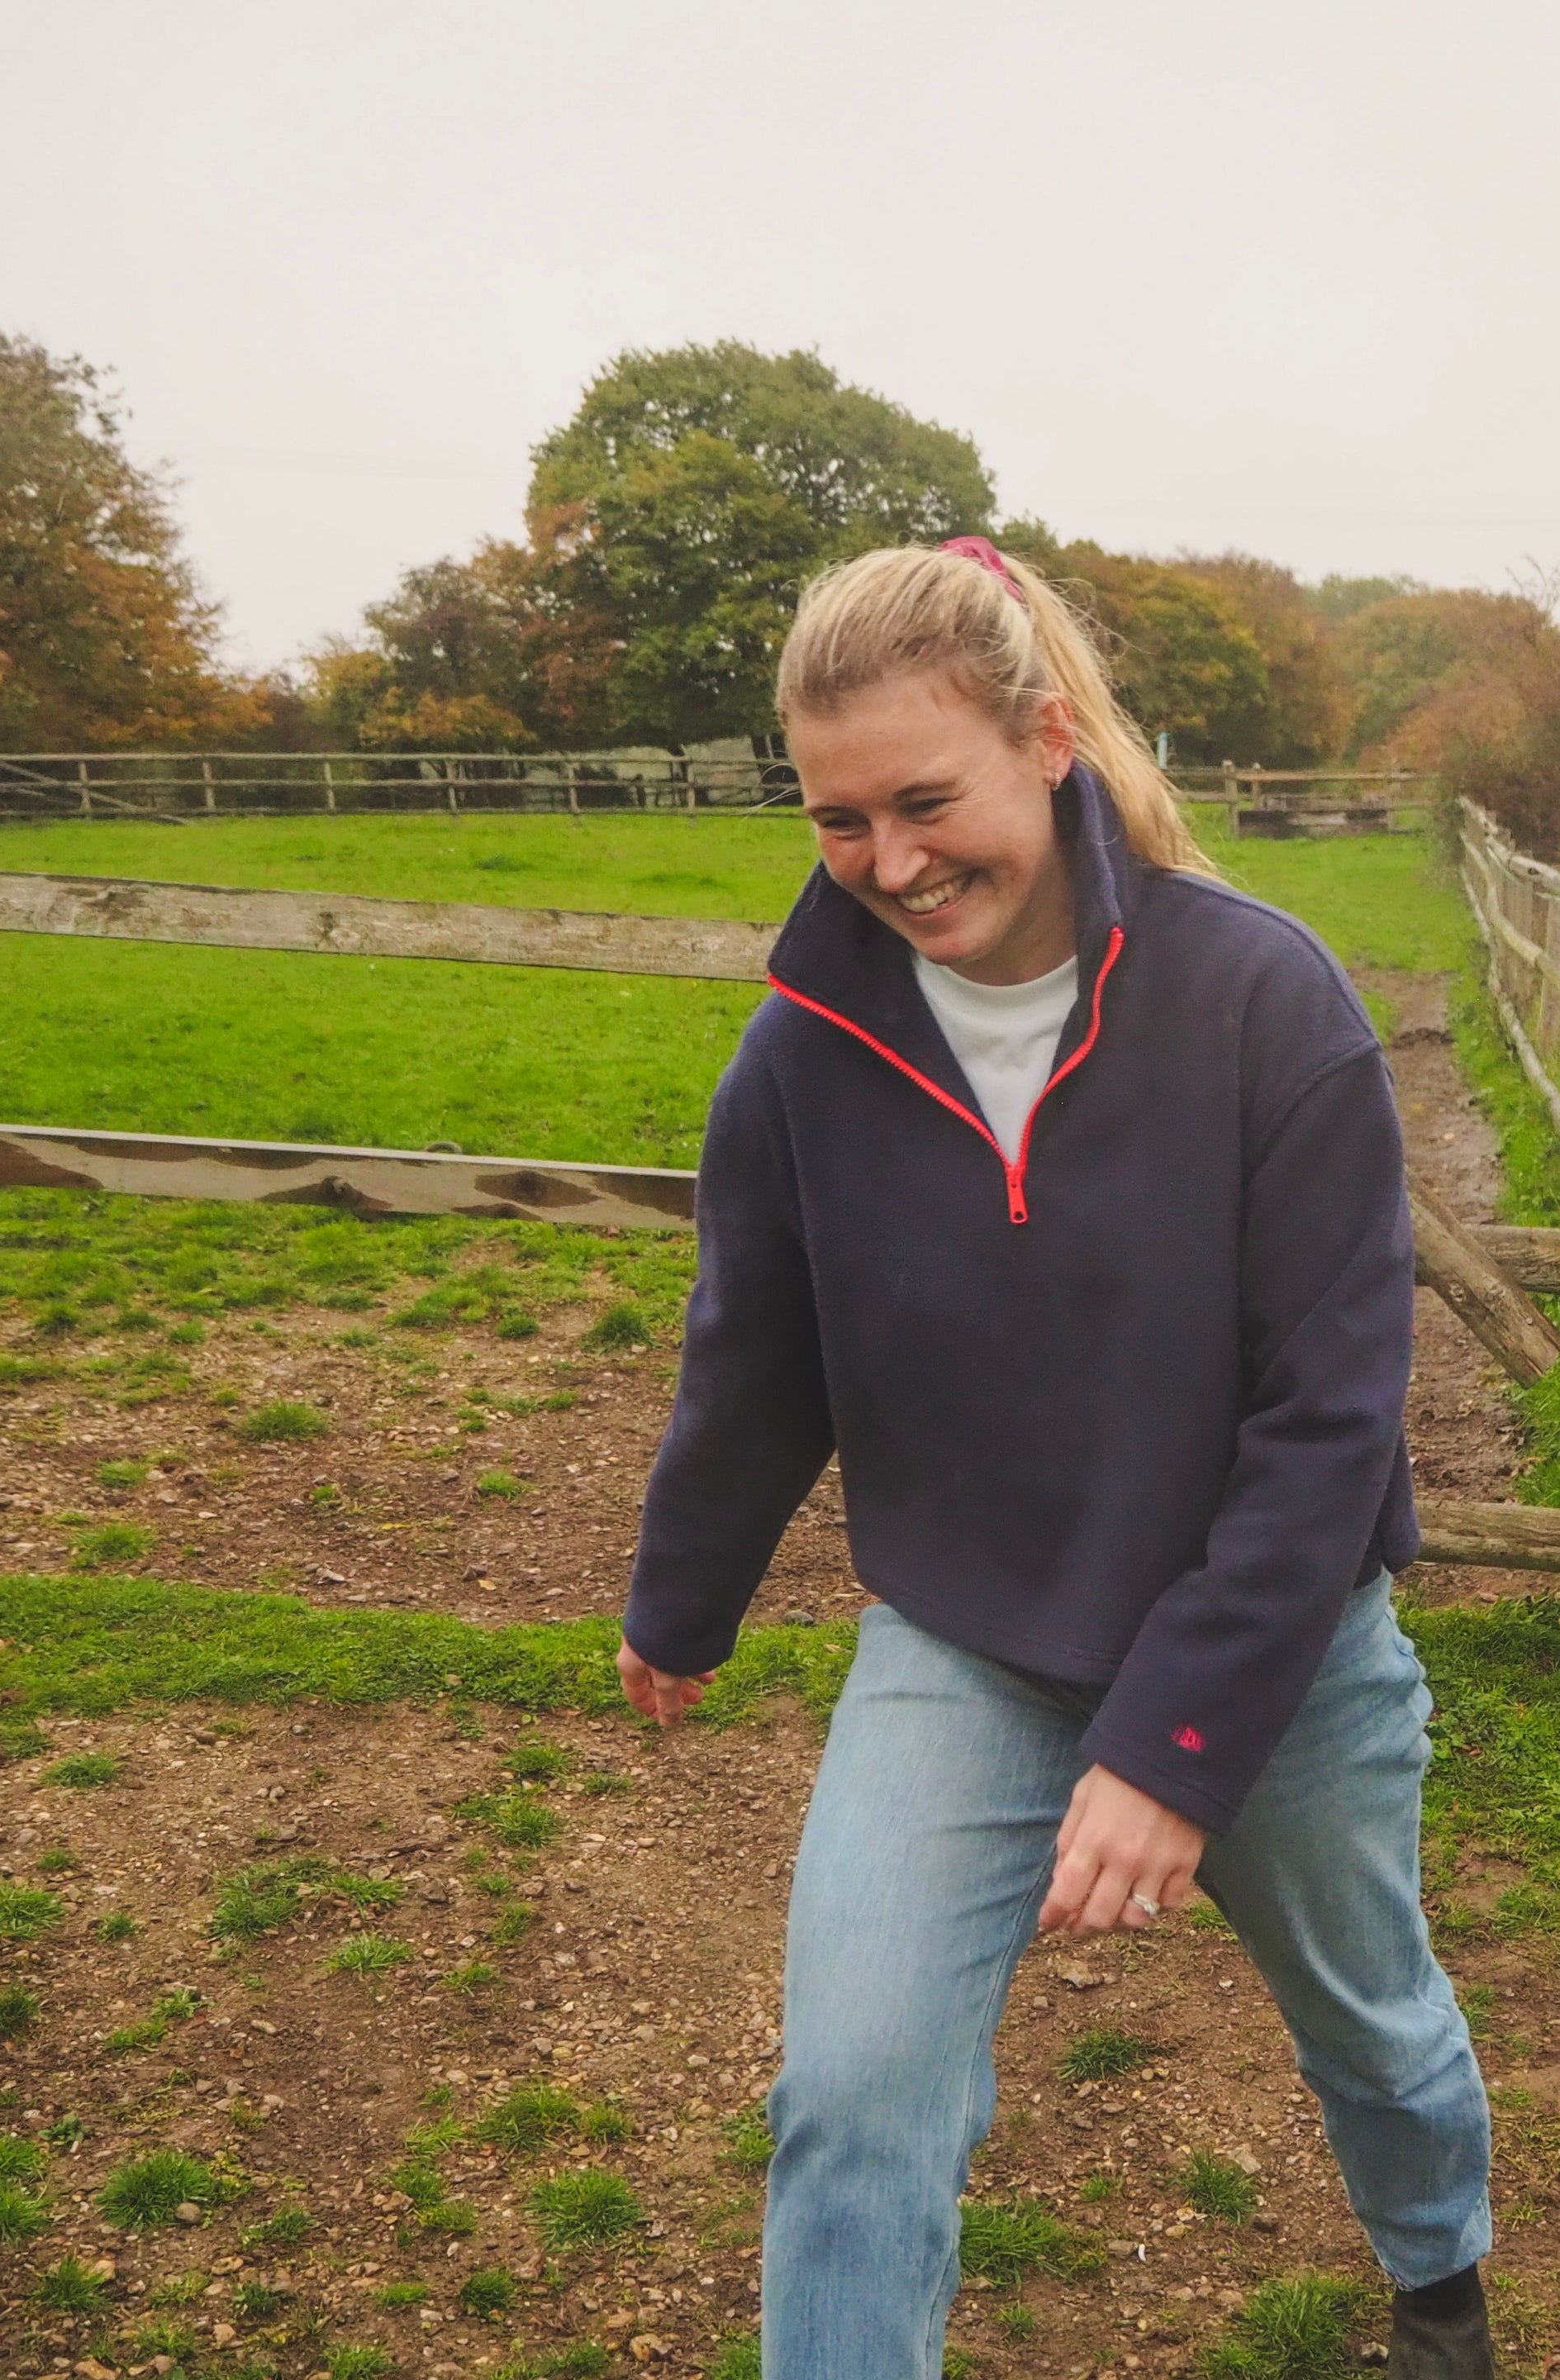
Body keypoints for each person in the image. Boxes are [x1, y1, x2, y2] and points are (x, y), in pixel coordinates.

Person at [619, 537, 1494, 2378]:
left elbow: (1331, 1422)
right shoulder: (797, 1061)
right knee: (851, 2103)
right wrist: (681, 1600)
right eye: (837, 819)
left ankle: (1441, 2282)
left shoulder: (1269, 1007)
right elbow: (756, 1359)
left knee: (1375, 2026)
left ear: (1046, 741)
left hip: (1284, 1647)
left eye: (927, 800)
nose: (891, 863)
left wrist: (1179, 1745)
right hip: (969, 1639)